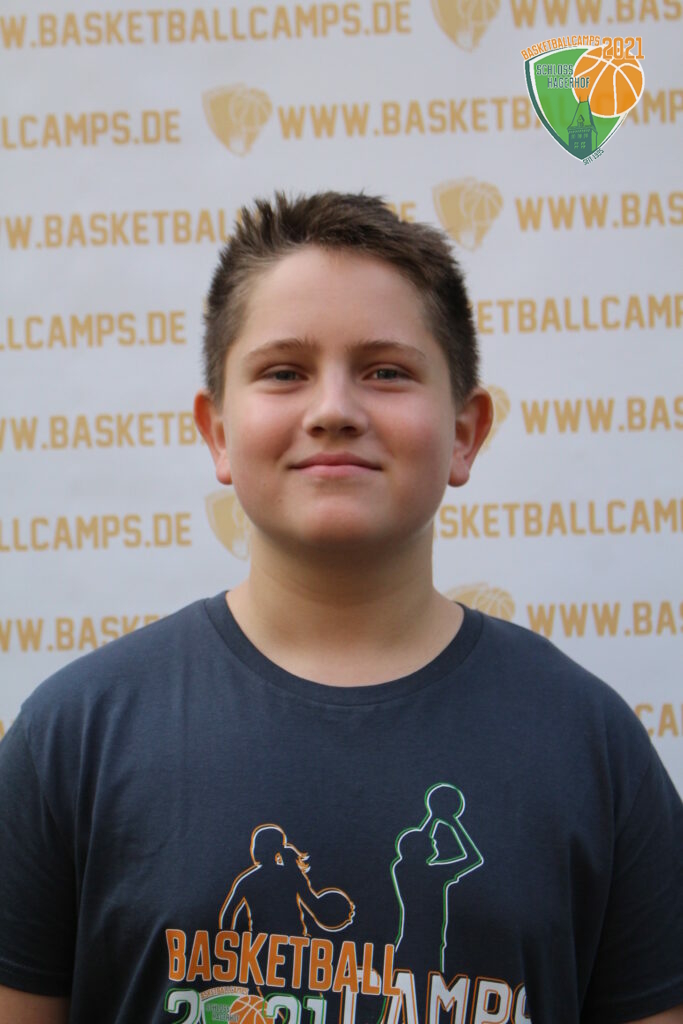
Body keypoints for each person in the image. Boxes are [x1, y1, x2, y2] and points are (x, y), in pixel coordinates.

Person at [0, 192, 681, 1024]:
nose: (332, 410)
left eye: (385, 371)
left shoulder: (588, 745)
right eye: (283, 372)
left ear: (464, 432)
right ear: (218, 433)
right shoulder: (75, 738)